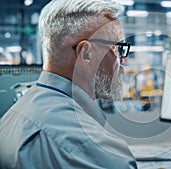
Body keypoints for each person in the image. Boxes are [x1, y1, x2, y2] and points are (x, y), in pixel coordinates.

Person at [0, 0, 137, 168]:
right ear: (87, 55)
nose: (123, 59)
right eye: (118, 48)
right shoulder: (84, 144)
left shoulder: (17, 113)